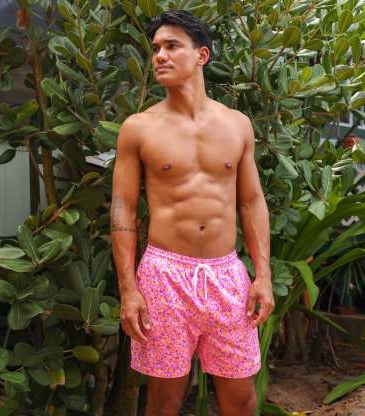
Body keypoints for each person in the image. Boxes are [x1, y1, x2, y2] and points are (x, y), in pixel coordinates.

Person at [110, 10, 274, 416]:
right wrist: (129, 289)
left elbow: (251, 201)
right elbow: (123, 208)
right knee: (164, 402)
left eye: (171, 46)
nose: (160, 56)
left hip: (226, 275)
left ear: (202, 56)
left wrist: (263, 275)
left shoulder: (237, 125)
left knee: (241, 399)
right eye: (155, 49)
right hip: (164, 276)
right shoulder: (139, 128)